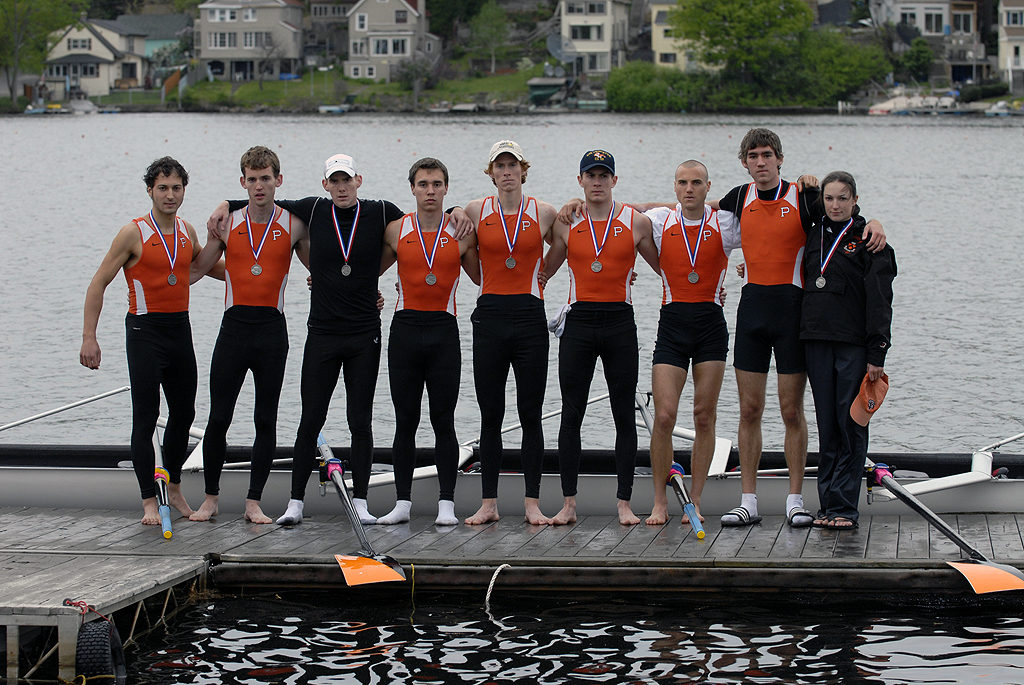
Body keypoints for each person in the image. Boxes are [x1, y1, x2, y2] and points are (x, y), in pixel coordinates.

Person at [209, 155, 470, 526]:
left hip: (365, 335)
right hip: (322, 335)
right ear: (325, 184)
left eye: (347, 179)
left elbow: (429, 216)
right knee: (309, 421)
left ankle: (361, 501)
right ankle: (295, 503)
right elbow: (262, 199)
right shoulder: (313, 210)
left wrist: (458, 207)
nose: (342, 186)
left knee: (360, 421)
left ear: (359, 180)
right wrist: (226, 204)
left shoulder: (382, 213)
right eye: (335, 181)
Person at [715, 128, 886, 528]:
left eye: (767, 155)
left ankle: (795, 499)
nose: (761, 162)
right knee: (749, 409)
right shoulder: (738, 197)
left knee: (793, 410)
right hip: (752, 313)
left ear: (780, 159)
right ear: (744, 162)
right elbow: (687, 208)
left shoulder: (806, 197)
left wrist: (876, 221)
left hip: (794, 316)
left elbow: (844, 214)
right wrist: (609, 206)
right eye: (753, 156)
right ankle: (749, 500)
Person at [80, 157, 209, 526]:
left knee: (184, 414)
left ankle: (173, 484)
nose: (170, 195)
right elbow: (98, 283)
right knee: (147, 415)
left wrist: (252, 266)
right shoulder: (132, 233)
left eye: (177, 188)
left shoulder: (186, 231)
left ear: (184, 190)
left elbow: (204, 268)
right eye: (163, 188)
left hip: (179, 329)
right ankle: (149, 501)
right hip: (144, 332)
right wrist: (90, 337)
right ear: (149, 190)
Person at [189, 146, 310, 524]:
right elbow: (195, 270)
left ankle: (253, 502)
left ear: (279, 180)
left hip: (272, 331)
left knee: (265, 419)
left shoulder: (294, 224)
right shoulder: (227, 223)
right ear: (243, 182)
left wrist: (363, 292)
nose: (259, 186)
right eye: (252, 179)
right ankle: (210, 499)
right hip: (234, 329)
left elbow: (323, 268)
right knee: (219, 418)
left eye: (266, 178)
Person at [543, 150, 659, 526]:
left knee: (623, 414)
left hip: (619, 323)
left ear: (614, 180)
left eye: (603, 175)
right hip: (579, 324)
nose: (597, 182)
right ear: (580, 181)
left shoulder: (636, 222)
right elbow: (540, 274)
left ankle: (624, 503)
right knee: (571, 414)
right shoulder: (566, 223)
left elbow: (668, 267)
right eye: (590, 176)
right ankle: (569, 504)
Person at [458, 140, 560, 526]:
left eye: (512, 165)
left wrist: (546, 273)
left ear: (522, 170)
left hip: (530, 316)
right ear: (491, 173)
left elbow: (567, 243)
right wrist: (479, 278)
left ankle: (532, 502)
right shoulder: (473, 210)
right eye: (499, 165)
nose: (506, 171)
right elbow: (462, 249)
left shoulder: (544, 212)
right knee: (491, 415)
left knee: (530, 414)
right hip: (490, 316)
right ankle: (489, 503)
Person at [375, 158, 480, 526]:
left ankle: (446, 504)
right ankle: (401, 503)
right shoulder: (395, 230)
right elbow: (364, 272)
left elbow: (487, 278)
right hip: (404, 329)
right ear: (413, 189)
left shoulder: (463, 232)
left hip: (443, 331)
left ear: (446, 189)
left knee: (443, 420)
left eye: (437, 184)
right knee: (405, 421)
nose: (430, 191)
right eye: (423, 184)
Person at [641, 161, 739, 526]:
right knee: (664, 416)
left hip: (711, 326)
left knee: (703, 415)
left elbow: (771, 229)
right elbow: (619, 213)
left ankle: (694, 500)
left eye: (696, 182)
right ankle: (659, 503)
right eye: (682, 182)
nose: (689, 189)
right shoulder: (661, 220)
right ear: (674, 187)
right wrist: (575, 203)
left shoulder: (725, 223)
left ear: (708, 187)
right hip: (673, 325)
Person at [801, 171, 896, 529]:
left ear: (855, 199)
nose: (835, 205)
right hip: (815, 339)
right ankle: (827, 506)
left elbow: (880, 300)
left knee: (850, 422)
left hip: (854, 346)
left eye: (843, 198)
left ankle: (845, 508)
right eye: (829, 198)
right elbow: (788, 200)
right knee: (827, 425)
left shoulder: (870, 240)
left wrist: (878, 353)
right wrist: (806, 182)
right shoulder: (813, 230)